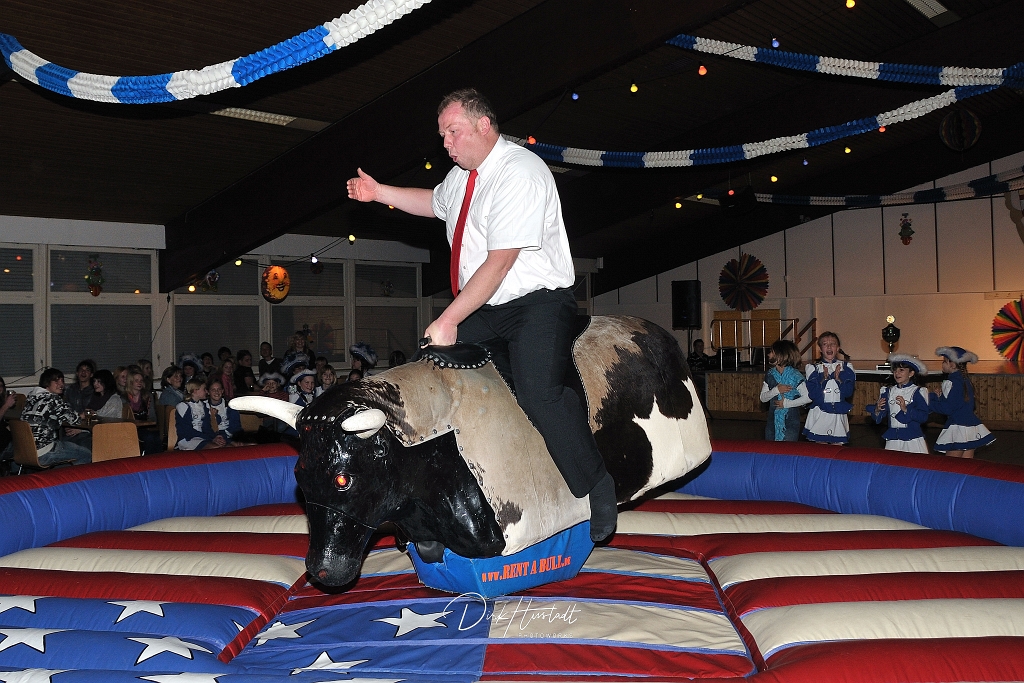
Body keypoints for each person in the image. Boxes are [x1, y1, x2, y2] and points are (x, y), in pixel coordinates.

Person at [346, 88, 616, 541]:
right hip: (485, 304)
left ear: (484, 125)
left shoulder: (521, 172)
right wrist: (379, 192)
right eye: (442, 135)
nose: (446, 144)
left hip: (537, 303)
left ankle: (596, 482)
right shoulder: (460, 178)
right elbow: (433, 203)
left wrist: (449, 318)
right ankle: (424, 508)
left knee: (539, 392)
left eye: (453, 132)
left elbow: (500, 262)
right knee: (429, 373)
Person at [930, 346, 995, 458]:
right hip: (969, 426)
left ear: (952, 364)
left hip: (958, 426)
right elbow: (959, 403)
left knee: (951, 466)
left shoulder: (951, 382)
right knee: (966, 465)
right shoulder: (965, 380)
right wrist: (940, 398)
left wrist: (929, 402)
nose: (942, 364)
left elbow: (948, 408)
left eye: (944, 361)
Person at [21, 368, 91, 465]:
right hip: (43, 451)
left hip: (25, 451)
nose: (61, 384)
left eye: (62, 381)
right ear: (47, 382)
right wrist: (82, 415)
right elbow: (75, 420)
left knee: (68, 444)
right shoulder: (53, 399)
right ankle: (72, 475)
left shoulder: (31, 398)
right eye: (56, 381)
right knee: (86, 454)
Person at [867, 354, 929, 453]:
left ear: (911, 373)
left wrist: (906, 410)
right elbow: (879, 416)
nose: (897, 373)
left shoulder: (918, 392)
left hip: (912, 439)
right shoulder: (888, 391)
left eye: (901, 370)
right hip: (893, 440)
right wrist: (877, 409)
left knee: (915, 462)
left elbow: (923, 416)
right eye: (895, 370)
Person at [802, 331, 856, 444]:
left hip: (838, 415)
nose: (829, 346)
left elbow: (848, 393)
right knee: (821, 450)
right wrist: (823, 380)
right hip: (820, 414)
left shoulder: (846, 367)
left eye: (833, 344)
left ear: (838, 348)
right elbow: (813, 395)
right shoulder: (813, 368)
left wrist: (839, 380)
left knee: (837, 448)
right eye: (825, 344)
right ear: (821, 349)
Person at [759, 340, 810, 441]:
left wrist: (787, 404)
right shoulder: (770, 375)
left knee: (787, 448)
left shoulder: (795, 376)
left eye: (772, 352)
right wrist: (776, 390)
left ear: (781, 355)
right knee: (770, 448)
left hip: (790, 421)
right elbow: (763, 398)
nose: (769, 354)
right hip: (772, 422)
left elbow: (808, 397)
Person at [174, 379, 223, 450]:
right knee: (214, 448)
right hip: (188, 439)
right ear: (195, 391)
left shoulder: (204, 405)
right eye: (204, 389)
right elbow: (187, 430)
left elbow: (207, 427)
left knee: (222, 446)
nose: (206, 391)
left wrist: (215, 436)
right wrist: (209, 438)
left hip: (202, 438)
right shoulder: (183, 406)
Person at [206, 378, 242, 446]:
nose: (216, 392)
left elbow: (235, 427)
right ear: (208, 392)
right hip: (212, 437)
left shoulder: (229, 405)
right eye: (213, 390)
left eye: (219, 389)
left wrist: (226, 438)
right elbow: (205, 427)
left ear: (222, 391)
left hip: (229, 436)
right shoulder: (204, 406)